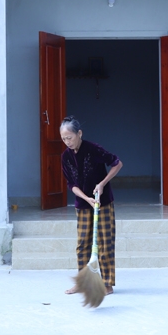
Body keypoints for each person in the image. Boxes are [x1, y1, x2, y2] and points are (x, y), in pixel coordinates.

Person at [60, 115, 122, 295]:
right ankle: (82, 283)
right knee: (82, 245)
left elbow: (117, 163)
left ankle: (107, 283)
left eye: (69, 138)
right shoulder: (65, 156)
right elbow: (71, 185)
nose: (67, 142)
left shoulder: (93, 149)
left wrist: (102, 184)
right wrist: (86, 199)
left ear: (79, 133)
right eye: (64, 139)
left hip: (102, 203)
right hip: (83, 205)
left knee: (105, 243)